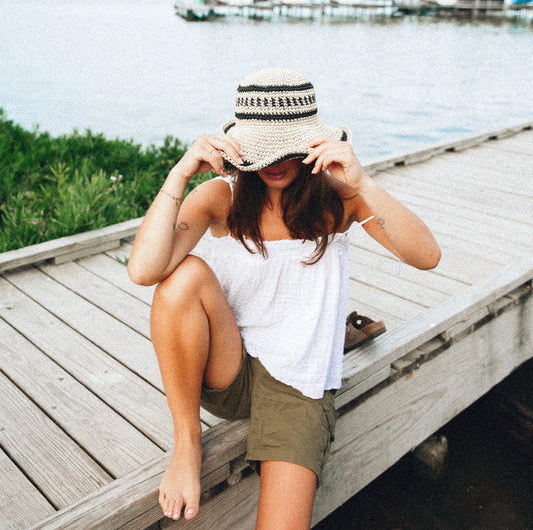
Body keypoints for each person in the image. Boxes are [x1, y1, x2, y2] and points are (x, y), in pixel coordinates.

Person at [127, 68, 441, 529]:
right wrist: (180, 174)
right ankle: (187, 441)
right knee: (182, 276)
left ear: (311, 142)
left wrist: (363, 183)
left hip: (300, 383)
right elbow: (143, 270)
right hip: (230, 368)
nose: (274, 162)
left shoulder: (340, 201)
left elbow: (427, 256)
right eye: (261, 150)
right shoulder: (223, 197)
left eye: (286, 147)